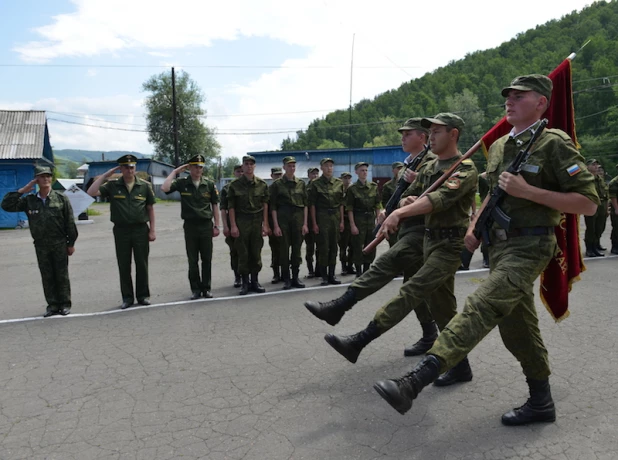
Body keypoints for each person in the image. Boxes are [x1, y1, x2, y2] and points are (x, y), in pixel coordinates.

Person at [374, 74, 599, 426]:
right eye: (508, 95)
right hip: (498, 248)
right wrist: (474, 227)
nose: (509, 100)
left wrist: (531, 192)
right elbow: (493, 195)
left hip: (531, 245)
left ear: (541, 102)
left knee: (482, 304)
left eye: (519, 96)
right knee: (517, 328)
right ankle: (541, 401)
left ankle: (415, 380)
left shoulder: (554, 143)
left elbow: (588, 203)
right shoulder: (498, 147)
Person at [306, 114, 477, 387]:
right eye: (429, 131)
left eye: (436, 131)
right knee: (443, 309)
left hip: (448, 244)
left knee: (412, 289)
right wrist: (406, 200)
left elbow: (438, 199)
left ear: (453, 134)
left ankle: (360, 340)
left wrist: (401, 212)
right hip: (428, 239)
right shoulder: (431, 168)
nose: (430, 135)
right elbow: (418, 193)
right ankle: (461, 367)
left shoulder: (464, 167)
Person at [305, 118, 440, 358]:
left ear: (422, 137)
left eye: (407, 134)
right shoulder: (413, 162)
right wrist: (387, 212)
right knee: (415, 289)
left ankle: (341, 307)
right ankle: (433, 336)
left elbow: (429, 195)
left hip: (420, 231)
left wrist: (400, 208)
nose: (402, 137)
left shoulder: (429, 162)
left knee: (386, 266)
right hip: (406, 229)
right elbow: (403, 196)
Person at [1, 165, 78, 317]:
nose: (46, 179)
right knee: (47, 275)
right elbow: (6, 205)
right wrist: (23, 190)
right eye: (42, 176)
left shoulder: (61, 198)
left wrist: (71, 244)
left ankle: (64, 304)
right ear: (36, 179)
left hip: (59, 243)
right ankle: (52, 305)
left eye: (48, 176)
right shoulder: (30, 200)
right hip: (41, 245)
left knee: (61, 275)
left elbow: (70, 223)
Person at [87, 154, 156, 309]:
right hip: (121, 231)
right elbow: (91, 192)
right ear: (121, 169)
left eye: (131, 167)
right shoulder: (113, 185)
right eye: (125, 167)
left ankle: (143, 296)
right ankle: (127, 297)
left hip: (140, 230)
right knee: (124, 265)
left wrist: (152, 230)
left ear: (135, 168)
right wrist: (105, 175)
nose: (129, 170)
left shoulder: (144, 186)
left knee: (142, 264)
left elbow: (150, 209)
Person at [161, 154, 220, 299]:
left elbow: (215, 205)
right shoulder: (182, 183)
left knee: (207, 259)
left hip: (206, 225)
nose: (198, 169)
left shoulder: (209, 184)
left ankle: (206, 288)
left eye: (200, 167)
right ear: (189, 168)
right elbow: (164, 188)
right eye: (195, 166)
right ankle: (195, 289)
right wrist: (175, 172)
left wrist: (217, 226)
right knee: (192, 260)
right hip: (190, 226)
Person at [227, 155, 270, 295]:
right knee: (243, 253)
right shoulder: (234, 186)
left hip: (257, 221)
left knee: (256, 252)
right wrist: (233, 225)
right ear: (242, 166)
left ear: (255, 166)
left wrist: (265, 224)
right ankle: (245, 283)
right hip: (242, 222)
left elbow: (265, 205)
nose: (249, 166)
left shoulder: (262, 184)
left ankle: (255, 281)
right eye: (246, 164)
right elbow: (231, 207)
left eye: (251, 164)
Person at [270, 156, 309, 289]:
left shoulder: (301, 183)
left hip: (298, 219)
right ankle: (286, 279)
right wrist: (275, 225)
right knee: (284, 250)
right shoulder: (276, 185)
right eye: (289, 166)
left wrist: (305, 224)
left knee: (297, 250)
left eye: (293, 166)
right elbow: (273, 207)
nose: (291, 168)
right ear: (284, 167)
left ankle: (295, 277)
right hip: (283, 219)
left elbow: (305, 205)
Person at [307, 158, 345, 286]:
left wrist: (342, 221)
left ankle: (332, 274)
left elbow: (341, 204)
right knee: (323, 247)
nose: (329, 168)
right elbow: (312, 204)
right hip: (321, 216)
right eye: (326, 166)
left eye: (331, 166)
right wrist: (314, 223)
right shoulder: (315, 184)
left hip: (334, 216)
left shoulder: (339, 183)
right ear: (322, 168)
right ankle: (323, 276)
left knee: (334, 246)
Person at [346, 162, 381, 275]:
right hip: (358, 218)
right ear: (356, 172)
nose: (364, 172)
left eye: (366, 170)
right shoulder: (352, 189)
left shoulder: (373, 187)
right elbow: (349, 208)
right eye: (362, 170)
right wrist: (352, 225)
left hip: (370, 219)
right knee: (357, 245)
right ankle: (358, 271)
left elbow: (377, 205)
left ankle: (367, 269)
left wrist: (378, 220)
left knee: (370, 244)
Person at [220, 165, 243, 287]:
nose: (241, 173)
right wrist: (225, 226)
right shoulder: (227, 188)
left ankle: (248, 276)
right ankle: (237, 276)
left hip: (247, 222)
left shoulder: (248, 186)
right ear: (234, 173)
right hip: (232, 222)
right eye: (238, 171)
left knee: (248, 251)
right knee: (234, 251)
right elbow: (223, 209)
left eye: (242, 171)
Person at [381, 161, 405, 248]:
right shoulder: (387, 186)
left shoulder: (408, 183)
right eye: (398, 168)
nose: (400, 170)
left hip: (405, 217)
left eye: (402, 168)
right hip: (393, 218)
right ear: (393, 170)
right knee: (394, 244)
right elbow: (385, 203)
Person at [584, 159, 604, 257]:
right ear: (587, 167)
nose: (596, 166)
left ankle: (595, 246)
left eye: (597, 164)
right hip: (590, 205)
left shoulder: (599, 178)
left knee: (599, 227)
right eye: (593, 164)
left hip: (601, 206)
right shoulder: (585, 178)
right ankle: (589, 248)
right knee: (591, 228)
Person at [304, 167, 321, 278]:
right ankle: (310, 270)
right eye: (312, 174)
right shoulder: (304, 188)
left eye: (316, 174)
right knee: (309, 247)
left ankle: (319, 269)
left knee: (320, 247)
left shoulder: (320, 187)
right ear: (308, 175)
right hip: (309, 221)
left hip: (320, 220)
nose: (314, 176)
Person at [268, 167, 284, 283]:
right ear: (271, 176)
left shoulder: (284, 188)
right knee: (275, 250)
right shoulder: (269, 190)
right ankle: (276, 273)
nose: (278, 177)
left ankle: (284, 273)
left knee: (284, 249)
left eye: (280, 175)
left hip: (285, 223)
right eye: (276, 175)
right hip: (273, 223)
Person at [338, 172, 355, 275]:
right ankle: (344, 266)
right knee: (343, 246)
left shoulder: (353, 190)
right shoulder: (339, 190)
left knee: (353, 245)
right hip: (343, 220)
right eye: (345, 178)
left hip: (352, 220)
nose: (347, 180)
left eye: (349, 178)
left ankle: (350, 265)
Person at [594, 164, 609, 253]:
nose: (600, 172)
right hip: (595, 204)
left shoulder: (603, 182)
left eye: (601, 171)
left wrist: (607, 209)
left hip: (603, 204)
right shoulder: (590, 180)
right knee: (593, 228)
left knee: (601, 226)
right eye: (598, 170)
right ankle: (591, 247)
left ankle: (597, 243)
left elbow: (607, 196)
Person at [609, 164, 618, 254]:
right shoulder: (615, 182)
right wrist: (616, 208)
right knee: (616, 228)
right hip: (617, 207)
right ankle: (615, 247)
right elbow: (613, 196)